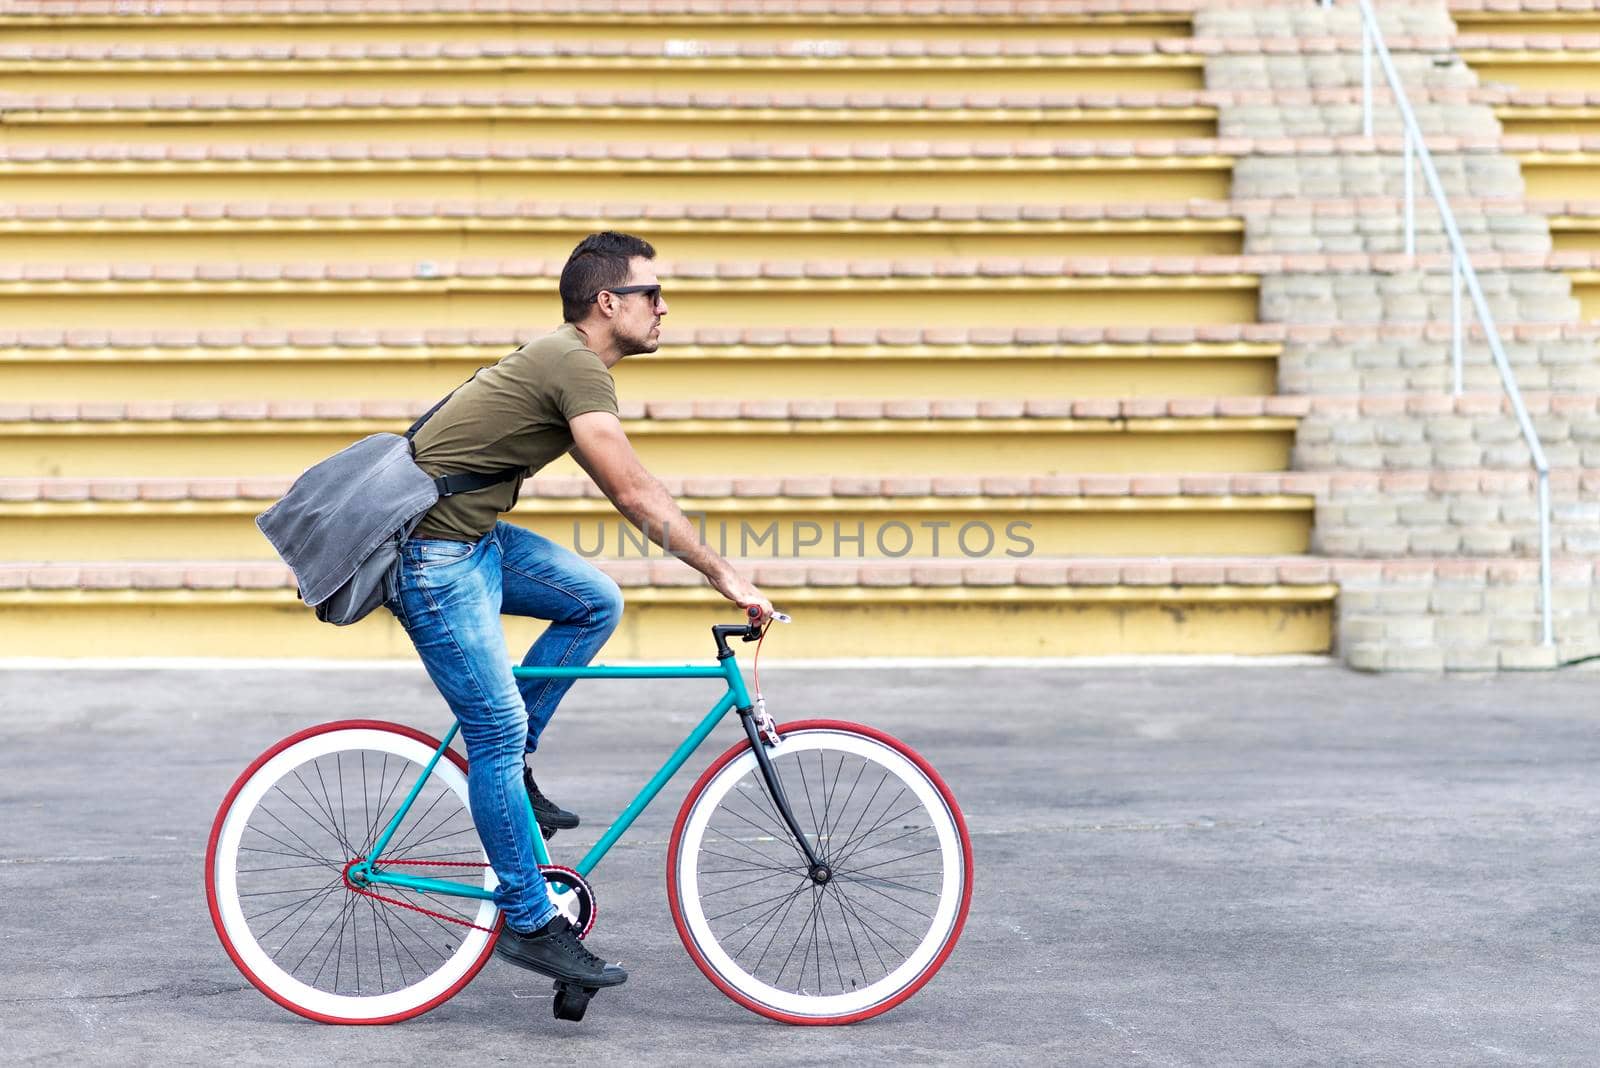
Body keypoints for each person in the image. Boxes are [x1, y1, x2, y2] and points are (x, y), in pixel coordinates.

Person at [387, 231, 774, 990]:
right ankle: (530, 922)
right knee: (492, 729)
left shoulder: (566, 360)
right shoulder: (574, 365)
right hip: (433, 556)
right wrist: (726, 574)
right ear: (607, 302)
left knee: (593, 601)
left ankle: (512, 768)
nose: (664, 307)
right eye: (651, 294)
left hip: (474, 541)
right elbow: (632, 492)